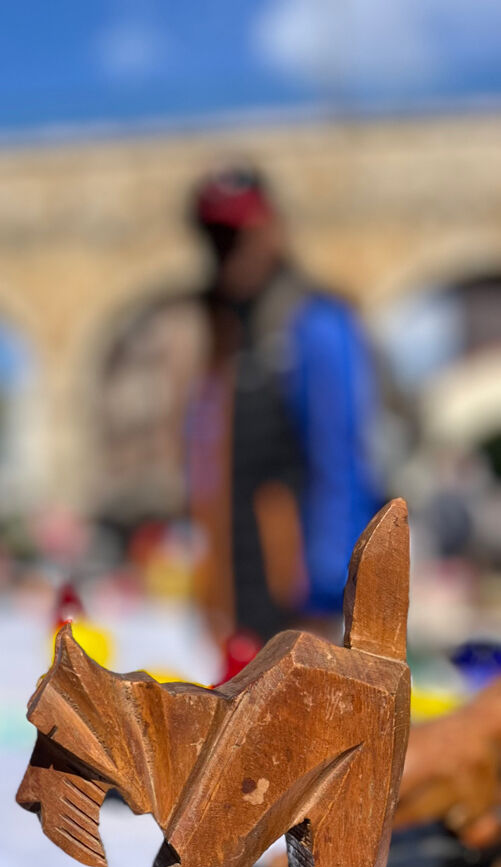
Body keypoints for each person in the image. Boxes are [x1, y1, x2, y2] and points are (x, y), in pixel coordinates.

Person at [185, 165, 384, 653]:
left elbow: (343, 463)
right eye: (215, 237)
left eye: (237, 235)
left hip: (298, 609)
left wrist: (328, 594)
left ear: (272, 230)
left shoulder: (314, 322)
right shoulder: (223, 334)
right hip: (235, 606)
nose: (226, 251)